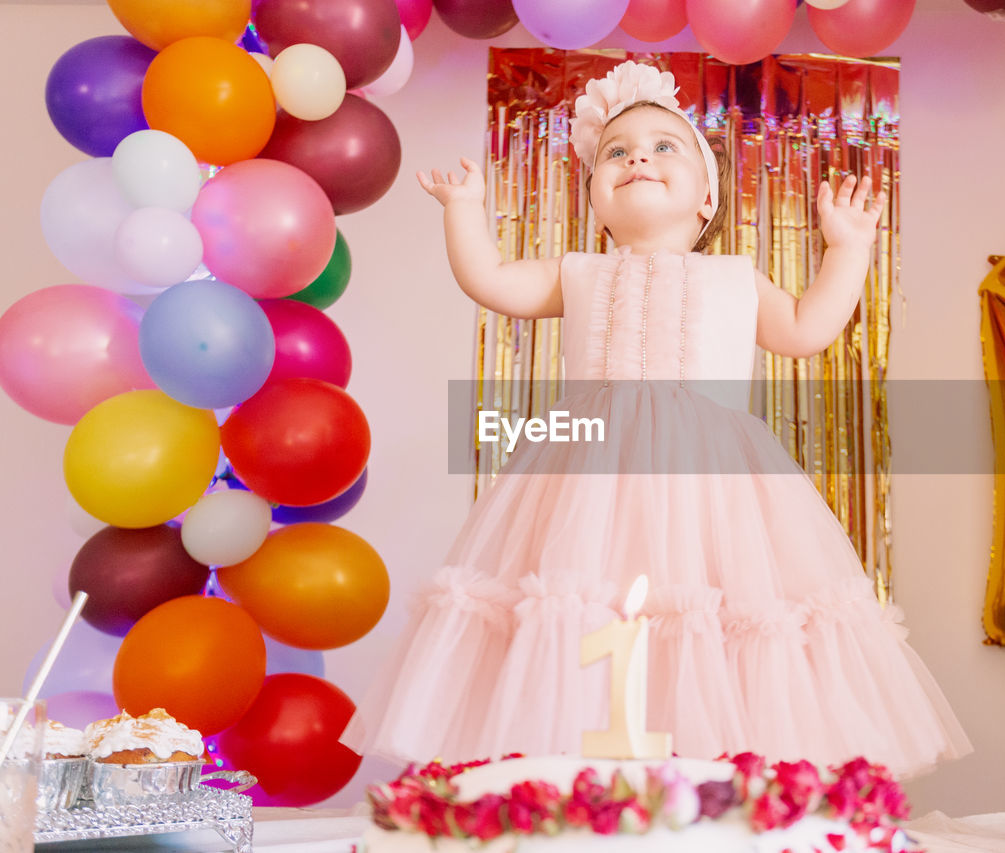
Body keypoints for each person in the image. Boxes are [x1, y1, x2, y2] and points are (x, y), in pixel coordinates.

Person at [344, 62, 970, 777]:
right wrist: (464, 209)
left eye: (663, 146)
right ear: (596, 200)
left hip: (712, 475)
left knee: (712, 606)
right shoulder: (575, 271)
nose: (637, 155)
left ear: (707, 197)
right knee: (585, 600)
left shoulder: (735, 277)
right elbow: (490, 282)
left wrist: (849, 248)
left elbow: (804, 328)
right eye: (616, 151)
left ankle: (706, 779)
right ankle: (589, 781)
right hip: (586, 476)